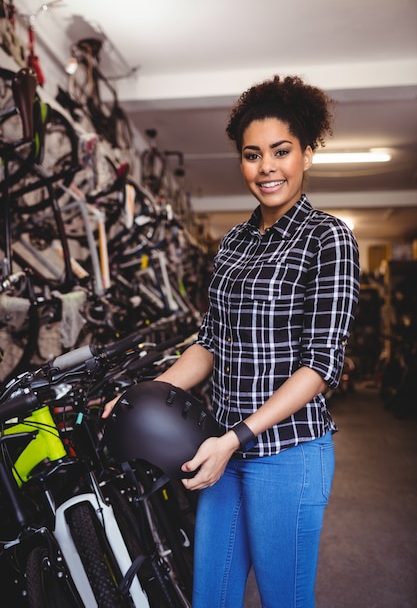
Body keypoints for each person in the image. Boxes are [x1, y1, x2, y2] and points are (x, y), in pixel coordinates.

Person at [103, 74, 361, 607]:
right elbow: (209, 344)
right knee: (211, 597)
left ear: (307, 155)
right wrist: (140, 397)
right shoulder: (234, 244)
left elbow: (320, 365)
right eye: (252, 154)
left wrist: (235, 439)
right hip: (220, 448)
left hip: (286, 451)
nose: (266, 167)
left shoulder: (328, 239)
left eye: (281, 151)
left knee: (283, 599)